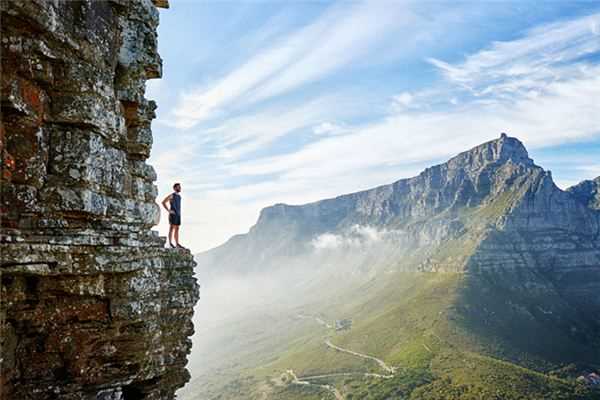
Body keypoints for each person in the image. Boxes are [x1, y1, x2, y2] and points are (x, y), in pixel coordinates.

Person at [161, 183, 185, 249]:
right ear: (175, 188)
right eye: (178, 187)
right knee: (171, 228)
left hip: (178, 215)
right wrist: (169, 210)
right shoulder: (172, 195)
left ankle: (177, 244)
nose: (180, 188)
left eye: (180, 187)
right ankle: (170, 243)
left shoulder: (179, 197)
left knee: (177, 229)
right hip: (173, 215)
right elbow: (163, 202)